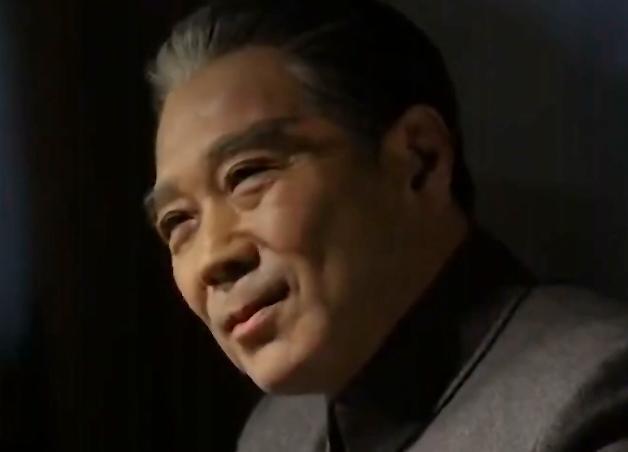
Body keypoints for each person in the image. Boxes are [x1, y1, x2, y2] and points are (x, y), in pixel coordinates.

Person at [143, 0, 628, 450]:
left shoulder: (593, 397)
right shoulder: (274, 435)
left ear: (420, 160)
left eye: (248, 174)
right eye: (178, 221)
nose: (213, 257)